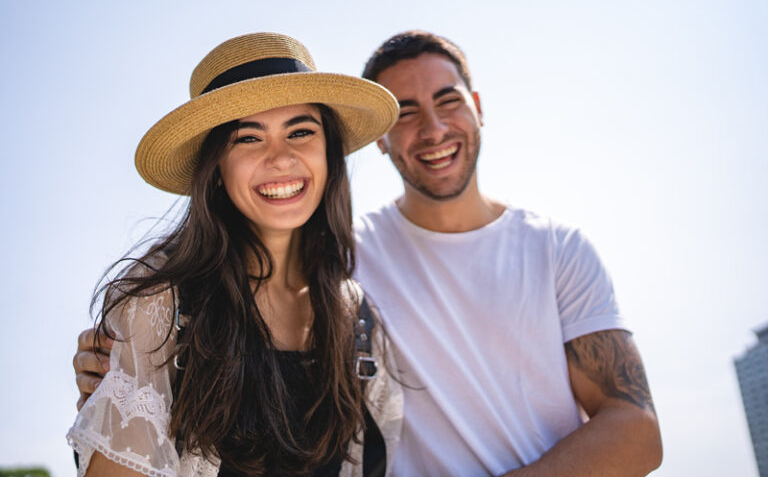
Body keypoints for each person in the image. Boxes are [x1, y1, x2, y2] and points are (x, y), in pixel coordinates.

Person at [74, 30, 663, 476]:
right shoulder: (338, 266)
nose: (431, 129)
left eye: (300, 132)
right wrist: (125, 361)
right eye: (248, 138)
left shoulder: (552, 250)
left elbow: (637, 427)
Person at [67, 32, 404, 477]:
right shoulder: (160, 302)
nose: (281, 158)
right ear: (216, 171)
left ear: (329, 153)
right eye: (249, 138)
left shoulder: (356, 318)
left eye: (301, 132)